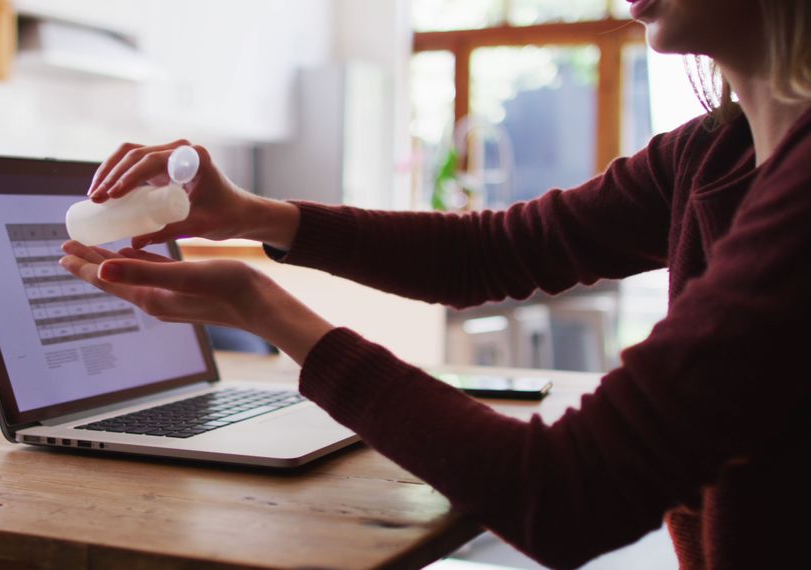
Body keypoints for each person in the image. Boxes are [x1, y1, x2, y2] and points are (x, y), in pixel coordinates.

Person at [59, 0, 811, 567]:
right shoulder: (711, 153)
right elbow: (485, 254)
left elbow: (563, 494)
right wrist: (254, 215)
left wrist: (262, 307)